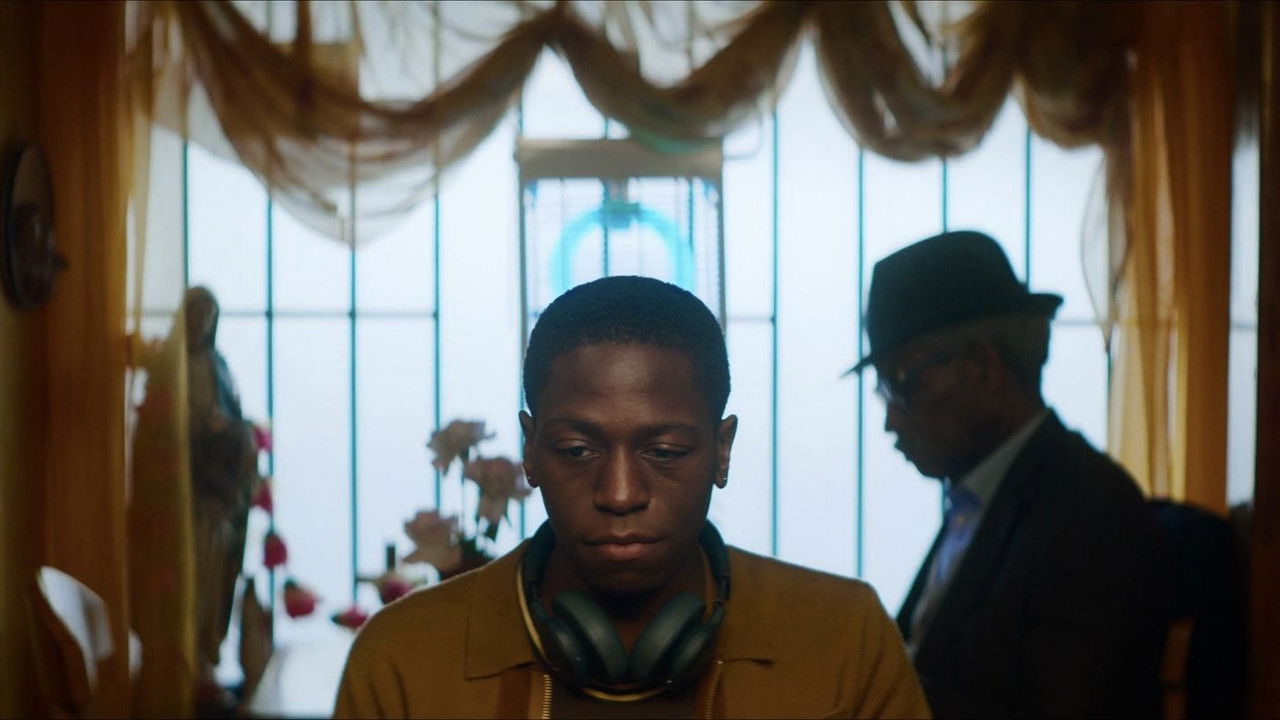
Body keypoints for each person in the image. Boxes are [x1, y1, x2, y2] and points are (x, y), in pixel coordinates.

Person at [335, 276, 930, 719]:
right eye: (577, 451)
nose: (620, 494)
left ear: (722, 451)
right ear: (530, 451)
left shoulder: (846, 640)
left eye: (665, 452)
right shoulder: (401, 657)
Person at [847, 230, 1169, 718]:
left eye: (902, 383)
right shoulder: (985, 496)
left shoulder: (1090, 511)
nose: (891, 420)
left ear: (982, 367)